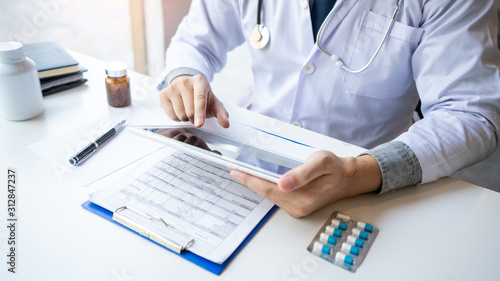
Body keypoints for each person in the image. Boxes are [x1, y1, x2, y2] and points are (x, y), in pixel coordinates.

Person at [157, 0, 500, 217]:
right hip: (252, 165)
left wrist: (360, 173)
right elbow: (195, 40)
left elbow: (470, 113)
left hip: (369, 184)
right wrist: (184, 75)